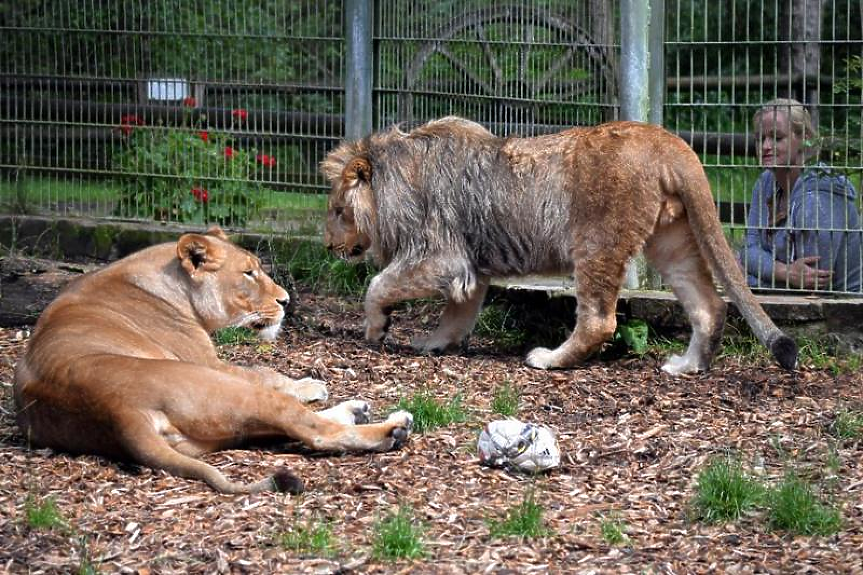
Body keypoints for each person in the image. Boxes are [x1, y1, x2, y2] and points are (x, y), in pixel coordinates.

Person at [740, 98, 862, 292]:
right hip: (782, 298)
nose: (765, 146)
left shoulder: (820, 195)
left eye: (777, 138)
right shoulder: (765, 182)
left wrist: (749, 279)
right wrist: (785, 272)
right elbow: (748, 251)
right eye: (759, 138)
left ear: (803, 138)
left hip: (839, 308)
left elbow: (813, 284)